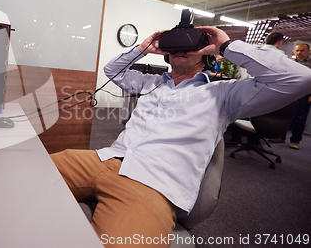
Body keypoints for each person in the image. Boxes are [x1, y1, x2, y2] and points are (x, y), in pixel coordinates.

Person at [50, 27, 311, 247]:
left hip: (151, 185)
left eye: (191, 45)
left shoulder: (225, 95)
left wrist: (225, 46)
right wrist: (143, 49)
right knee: (21, 175)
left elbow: (300, 79)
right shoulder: (151, 83)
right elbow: (112, 70)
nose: (181, 49)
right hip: (102, 159)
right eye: (175, 45)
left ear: (205, 55)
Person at [287, 43, 311, 150]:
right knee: (285, 115)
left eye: (302, 51)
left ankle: (295, 140)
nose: (299, 53)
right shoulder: (290, 63)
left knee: (300, 118)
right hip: (290, 92)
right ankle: (280, 136)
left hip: (305, 94)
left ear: (308, 51)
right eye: (297, 51)